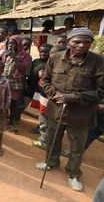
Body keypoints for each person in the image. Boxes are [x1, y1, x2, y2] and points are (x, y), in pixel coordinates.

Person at [36, 28, 104, 192]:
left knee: (77, 147)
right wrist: (56, 95)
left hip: (81, 114)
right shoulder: (55, 58)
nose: (81, 45)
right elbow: (46, 81)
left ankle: (73, 173)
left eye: (86, 42)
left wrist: (74, 97)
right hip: (56, 110)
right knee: (52, 140)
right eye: (77, 42)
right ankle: (51, 162)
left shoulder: (99, 62)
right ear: (68, 42)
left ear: (91, 44)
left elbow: (101, 91)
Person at [2, 35, 32, 134]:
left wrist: (15, 58)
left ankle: (11, 122)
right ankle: (1, 119)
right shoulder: (6, 53)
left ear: (18, 44)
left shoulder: (25, 55)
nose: (10, 45)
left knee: (13, 102)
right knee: (2, 100)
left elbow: (23, 69)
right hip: (4, 80)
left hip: (16, 81)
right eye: (9, 43)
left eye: (13, 43)